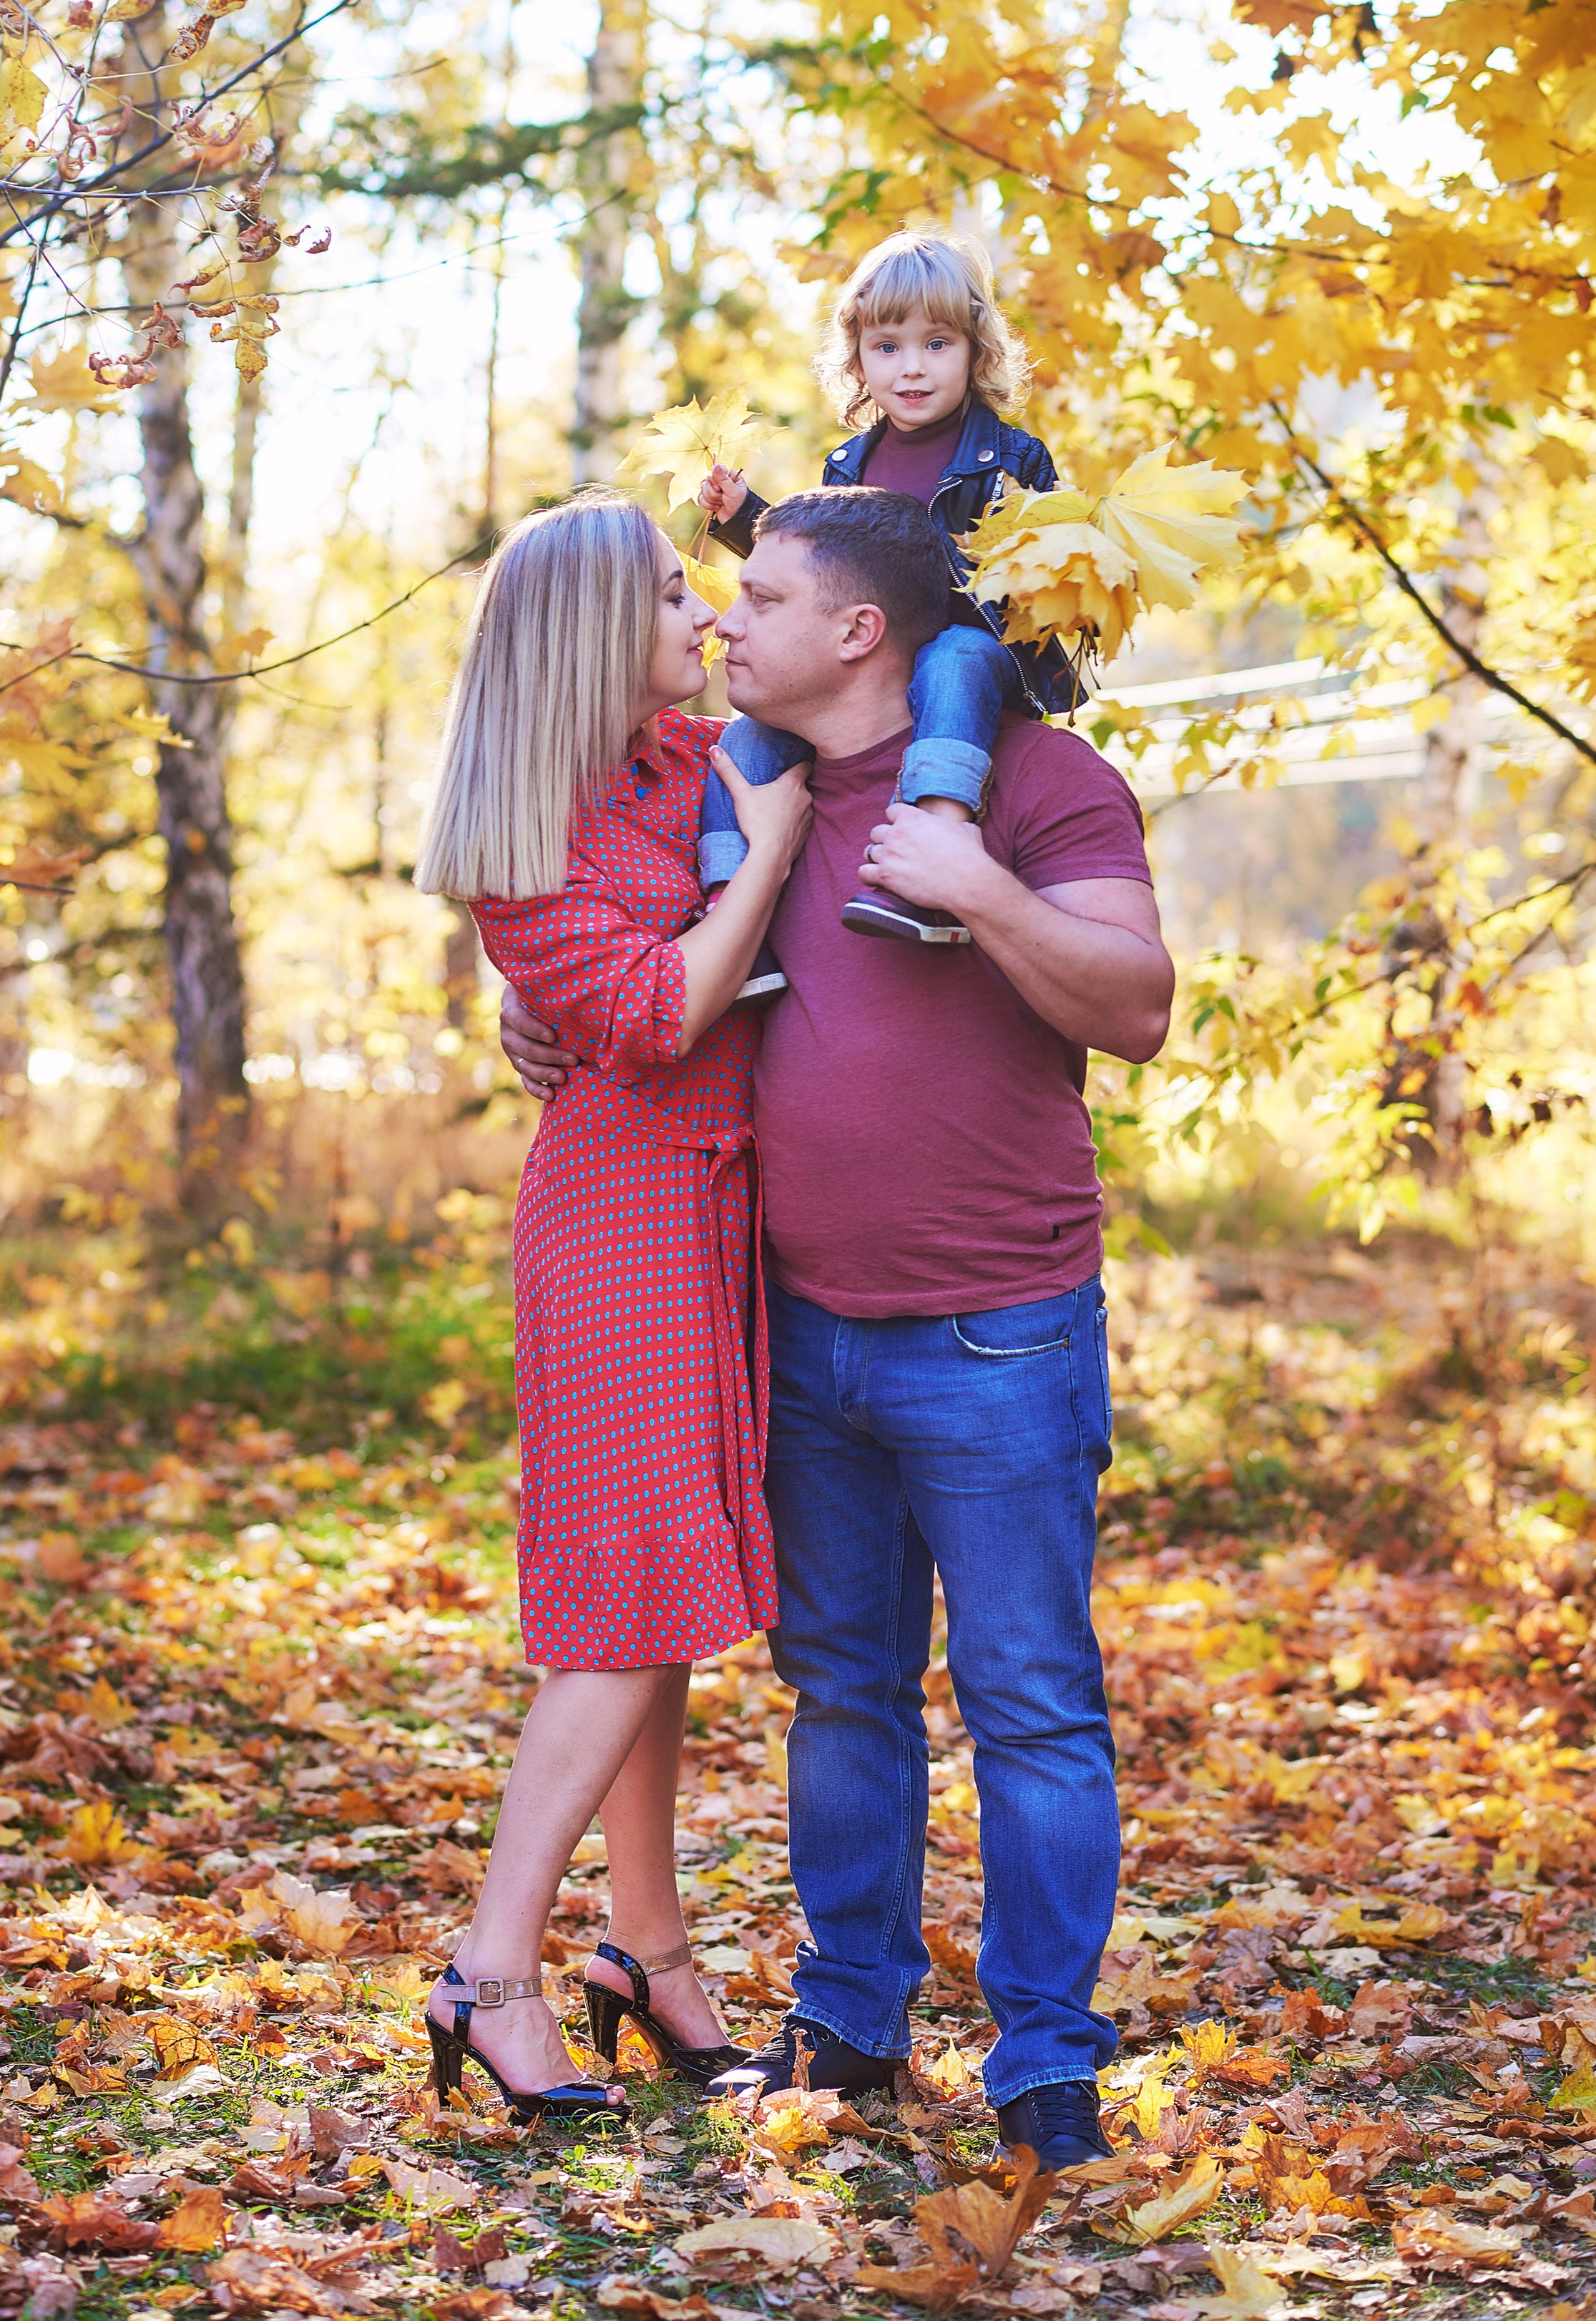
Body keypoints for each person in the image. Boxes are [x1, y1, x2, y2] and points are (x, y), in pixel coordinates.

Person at [499, 491, 1174, 2168]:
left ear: (857, 629)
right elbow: (599, 931)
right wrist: (527, 1000)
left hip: (1000, 1328)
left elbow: (1137, 999)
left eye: (762, 596)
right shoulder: (737, 778)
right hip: (792, 1324)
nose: (724, 621)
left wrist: (980, 892)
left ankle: (1043, 2055)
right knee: (843, 1695)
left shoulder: (1027, 776)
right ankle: (852, 2016)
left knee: (1025, 1699)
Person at [411, 493, 811, 2122]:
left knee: (677, 1585)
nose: (703, 612)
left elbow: (848, 659)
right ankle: (492, 1965)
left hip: (713, 1208)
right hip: (617, 1216)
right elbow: (648, 1010)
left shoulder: (689, 749)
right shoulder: (528, 831)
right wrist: (768, 854)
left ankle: (642, 1945)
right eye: (668, 593)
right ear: (590, 630)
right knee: (623, 1598)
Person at [694, 227, 1077, 949]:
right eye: (888, 346)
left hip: (978, 649)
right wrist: (745, 517)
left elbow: (1053, 577)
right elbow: (818, 570)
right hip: (873, 657)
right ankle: (726, 904)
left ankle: (934, 859)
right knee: (746, 736)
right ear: (859, 358)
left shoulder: (1013, 459)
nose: (912, 368)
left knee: (953, 659)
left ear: (975, 350)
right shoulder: (849, 465)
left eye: (937, 344)